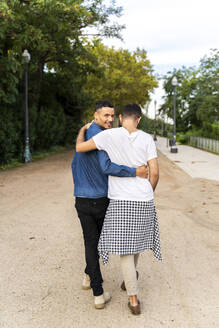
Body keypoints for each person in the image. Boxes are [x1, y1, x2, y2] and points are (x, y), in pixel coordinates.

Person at [76, 103, 162, 315]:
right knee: (137, 242)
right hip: (144, 199)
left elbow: (80, 148)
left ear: (121, 117)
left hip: (120, 200)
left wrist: (82, 131)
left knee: (125, 249)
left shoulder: (110, 135)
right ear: (139, 119)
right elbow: (156, 173)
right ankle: (130, 278)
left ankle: (133, 298)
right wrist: (147, 191)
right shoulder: (147, 138)